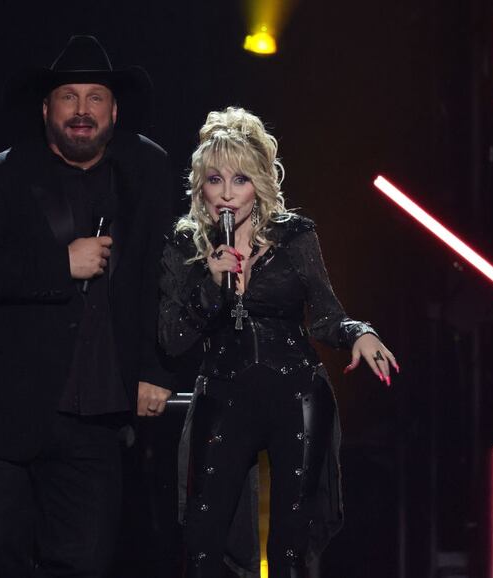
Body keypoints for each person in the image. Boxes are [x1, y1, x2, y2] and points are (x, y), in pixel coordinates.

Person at [0, 35, 174, 578]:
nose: (81, 110)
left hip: (95, 415)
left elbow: (158, 273)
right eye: (68, 97)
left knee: (85, 563)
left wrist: (155, 368)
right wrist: (60, 265)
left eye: (95, 97)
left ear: (114, 111)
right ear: (46, 108)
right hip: (1, 413)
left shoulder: (144, 170)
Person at [158, 107, 398, 578]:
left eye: (241, 179)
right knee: (202, 544)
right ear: (200, 186)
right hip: (223, 394)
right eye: (215, 180)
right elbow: (172, 339)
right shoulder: (185, 245)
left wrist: (359, 332)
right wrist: (211, 286)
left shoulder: (294, 236)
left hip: (296, 394)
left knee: (290, 549)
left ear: (260, 184)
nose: (227, 194)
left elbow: (327, 316)